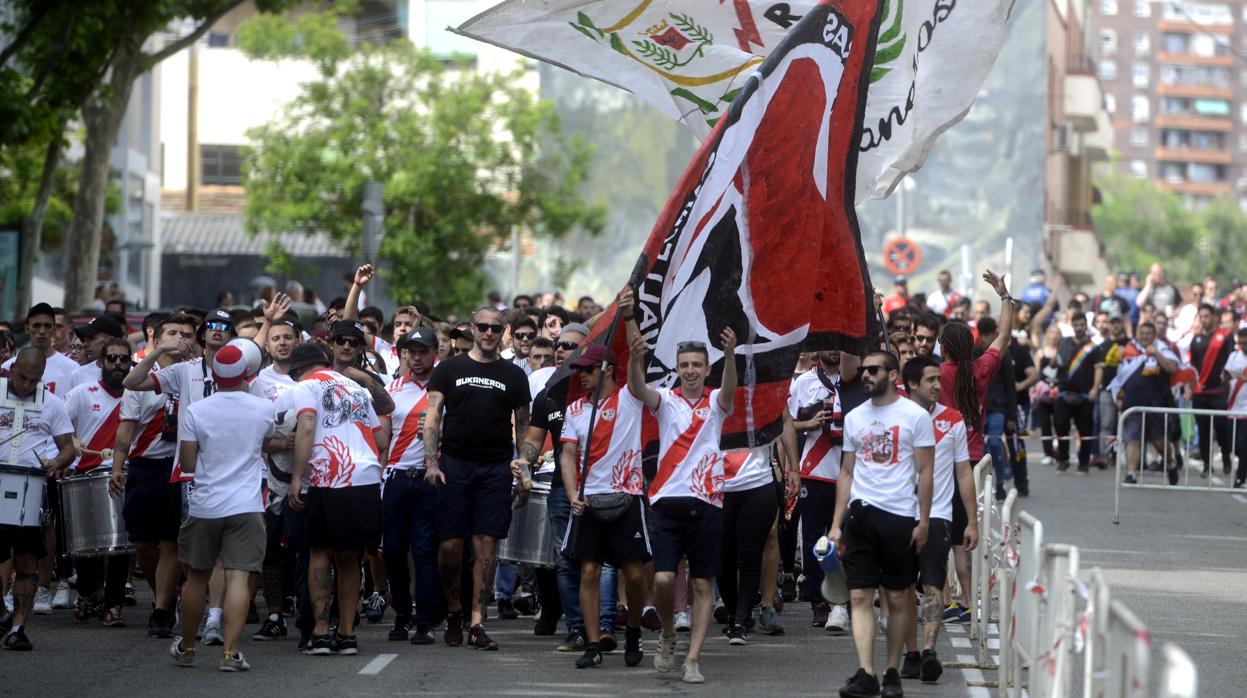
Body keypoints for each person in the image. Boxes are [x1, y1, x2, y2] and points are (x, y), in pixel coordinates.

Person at [622, 287, 738, 685]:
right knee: (664, 580)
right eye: (684, 364)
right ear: (677, 368)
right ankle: (669, 633)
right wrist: (635, 353)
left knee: (704, 583)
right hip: (667, 501)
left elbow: (729, 390)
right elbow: (638, 388)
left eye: (697, 365)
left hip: (708, 502)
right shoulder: (666, 401)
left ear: (707, 369)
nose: (690, 370)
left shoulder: (717, 404)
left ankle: (693, 658)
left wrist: (732, 355)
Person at [423, 306, 531, 650]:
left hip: (495, 468)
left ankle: (476, 622)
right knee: (450, 547)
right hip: (454, 464)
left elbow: (524, 429)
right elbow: (432, 417)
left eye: (495, 328)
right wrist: (430, 462)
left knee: (486, 549)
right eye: (482, 327)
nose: (488, 332)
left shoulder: (515, 375)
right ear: (472, 328)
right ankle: (453, 610)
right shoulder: (450, 369)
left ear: (504, 332)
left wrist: (523, 472)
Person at [829, 350, 934, 698]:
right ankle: (866, 672)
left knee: (897, 597)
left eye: (873, 370)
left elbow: (925, 472)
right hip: (861, 515)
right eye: (864, 370)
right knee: (859, 594)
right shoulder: (856, 417)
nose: (865, 375)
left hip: (900, 516)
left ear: (892, 374)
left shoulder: (914, 416)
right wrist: (836, 524)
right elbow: (846, 472)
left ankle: (892, 670)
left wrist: (923, 521)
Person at [169, 341, 274, 671]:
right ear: (245, 374)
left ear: (214, 375)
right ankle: (230, 653)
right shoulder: (262, 409)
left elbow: (187, 462)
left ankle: (187, 648)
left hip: (205, 505)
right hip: (246, 504)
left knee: (196, 579)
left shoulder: (197, 410)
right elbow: (266, 442)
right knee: (239, 578)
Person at [285, 342, 388, 656]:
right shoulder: (356, 388)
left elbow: (305, 427)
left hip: (330, 475)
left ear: (299, 369)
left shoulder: (306, 386)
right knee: (349, 556)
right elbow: (381, 437)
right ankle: (346, 634)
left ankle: (319, 633)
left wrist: (297, 477)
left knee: (319, 550)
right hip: (366, 475)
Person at [557, 343, 650, 670]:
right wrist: (572, 495)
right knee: (588, 571)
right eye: (579, 370)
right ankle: (594, 643)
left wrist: (628, 318)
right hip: (589, 501)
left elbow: (637, 358)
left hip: (627, 498)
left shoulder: (630, 398)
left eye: (588, 369)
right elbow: (567, 456)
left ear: (608, 369)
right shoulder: (575, 411)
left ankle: (634, 630)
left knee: (635, 575)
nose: (582, 376)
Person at [110, 314, 197, 638]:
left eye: (187, 334)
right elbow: (127, 426)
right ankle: (165, 589)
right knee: (143, 542)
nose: (180, 338)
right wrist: (118, 466)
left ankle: (162, 607)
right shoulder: (143, 376)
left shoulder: (198, 374)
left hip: (179, 468)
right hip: (145, 466)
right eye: (173, 333)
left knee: (170, 541)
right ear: (156, 340)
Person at [899, 355, 977, 684]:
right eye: (930, 380)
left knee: (932, 586)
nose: (937, 385)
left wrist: (971, 520)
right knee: (901, 590)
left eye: (938, 379)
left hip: (939, 517)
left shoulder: (953, 420)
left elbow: (963, 472)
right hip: (899, 515)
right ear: (912, 384)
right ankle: (912, 652)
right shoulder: (895, 417)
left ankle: (929, 650)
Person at [0, 349, 76, 651]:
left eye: (33, 381)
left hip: (31, 486)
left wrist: (57, 462)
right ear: (12, 368)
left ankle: (19, 628)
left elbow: (68, 448)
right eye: (21, 377)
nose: (25, 385)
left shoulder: (52, 404)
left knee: (28, 561)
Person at [787, 350, 863, 632]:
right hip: (814, 470)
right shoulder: (803, 382)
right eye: (827, 343)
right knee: (814, 541)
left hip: (849, 471)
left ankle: (843, 601)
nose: (832, 349)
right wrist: (807, 424)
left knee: (846, 540)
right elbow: (787, 423)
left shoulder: (855, 381)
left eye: (838, 344)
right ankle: (819, 601)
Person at [381, 328, 445, 645]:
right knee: (392, 550)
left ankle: (424, 620)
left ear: (436, 352)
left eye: (423, 351)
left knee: (424, 550)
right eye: (411, 352)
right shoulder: (390, 390)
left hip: (429, 480)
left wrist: (439, 433)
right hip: (396, 479)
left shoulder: (444, 390)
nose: (417, 358)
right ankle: (402, 614)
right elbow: (382, 440)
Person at [63, 338, 133, 627]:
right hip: (85, 475)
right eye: (112, 359)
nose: (118, 364)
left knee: (120, 546)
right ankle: (88, 594)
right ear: (101, 363)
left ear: (131, 363)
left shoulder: (136, 395)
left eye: (123, 359)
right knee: (87, 545)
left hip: (125, 474)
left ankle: (113, 604)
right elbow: (59, 429)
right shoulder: (81, 393)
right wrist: (72, 443)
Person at [1109, 321, 1179, 483]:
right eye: (1142, 333)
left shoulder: (1162, 348)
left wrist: (1156, 354)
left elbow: (1172, 369)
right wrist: (1119, 398)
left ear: (1153, 336)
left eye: (1148, 333)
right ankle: (1131, 474)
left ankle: (1170, 464)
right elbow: (1118, 378)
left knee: (1159, 442)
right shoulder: (1128, 350)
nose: (1145, 336)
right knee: (1132, 439)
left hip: (1155, 404)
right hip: (1132, 404)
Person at [1188, 304, 1234, 478]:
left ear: (1214, 316)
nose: (1204, 320)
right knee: (1203, 428)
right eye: (1201, 317)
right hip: (1200, 391)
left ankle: (1225, 455)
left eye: (1207, 316)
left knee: (1221, 427)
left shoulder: (1225, 336)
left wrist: (1226, 376)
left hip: (1218, 390)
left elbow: (1231, 358)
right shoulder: (1196, 339)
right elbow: (1192, 366)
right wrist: (1189, 386)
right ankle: (1207, 464)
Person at [1052, 313, 1097, 474]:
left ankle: (1083, 463)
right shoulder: (1064, 343)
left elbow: (1098, 368)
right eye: (1076, 325)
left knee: (1085, 429)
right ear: (1072, 326)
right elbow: (1055, 362)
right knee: (1061, 426)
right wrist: (1055, 361)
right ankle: (1063, 460)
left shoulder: (1093, 346)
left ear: (1086, 326)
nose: (1079, 328)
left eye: (1081, 325)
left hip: (1084, 394)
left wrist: (1095, 388)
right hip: (1064, 392)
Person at [3, 303, 79, 395]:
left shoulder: (72, 369)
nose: (42, 331)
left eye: (47, 326)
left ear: (54, 329)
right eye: (36, 326)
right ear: (27, 328)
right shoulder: (8, 366)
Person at [67, 315, 128, 391]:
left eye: (91, 338)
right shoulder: (78, 375)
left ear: (109, 340)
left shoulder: (134, 374)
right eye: (84, 339)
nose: (85, 344)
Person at [1223, 323, 1247, 488]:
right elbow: (1225, 376)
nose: (1243, 346)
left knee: (1242, 444)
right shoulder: (1233, 356)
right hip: (1233, 406)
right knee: (1232, 444)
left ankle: (1240, 476)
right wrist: (1224, 379)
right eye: (1241, 342)